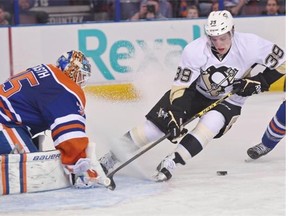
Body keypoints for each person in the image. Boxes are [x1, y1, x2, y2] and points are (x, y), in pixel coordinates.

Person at [100, 10, 286, 182]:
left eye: (223, 38)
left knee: (210, 125)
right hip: (195, 92)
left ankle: (172, 161)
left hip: (230, 97)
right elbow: (182, 87)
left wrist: (258, 82)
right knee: (154, 129)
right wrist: (176, 116)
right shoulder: (195, 50)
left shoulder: (251, 45)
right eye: (214, 39)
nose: (219, 44)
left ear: (232, 32)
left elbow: (283, 62)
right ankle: (111, 157)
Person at [0, 50, 108, 188]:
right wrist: (81, 167)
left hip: (9, 121)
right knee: (33, 173)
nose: (81, 81)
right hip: (4, 124)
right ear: (71, 71)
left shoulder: (46, 72)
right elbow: (69, 135)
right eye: (80, 75)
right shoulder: (64, 88)